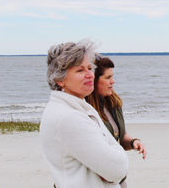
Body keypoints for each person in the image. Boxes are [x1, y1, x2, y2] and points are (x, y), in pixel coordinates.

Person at [40, 40, 129, 188]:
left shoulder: (78, 108)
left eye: (89, 68)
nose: (90, 75)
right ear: (59, 79)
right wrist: (115, 158)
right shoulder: (68, 117)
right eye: (80, 70)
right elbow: (117, 169)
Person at [85, 55, 146, 187]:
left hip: (117, 180)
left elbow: (119, 136)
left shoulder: (113, 104)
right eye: (108, 78)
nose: (113, 81)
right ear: (93, 80)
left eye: (112, 76)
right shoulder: (85, 111)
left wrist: (133, 142)